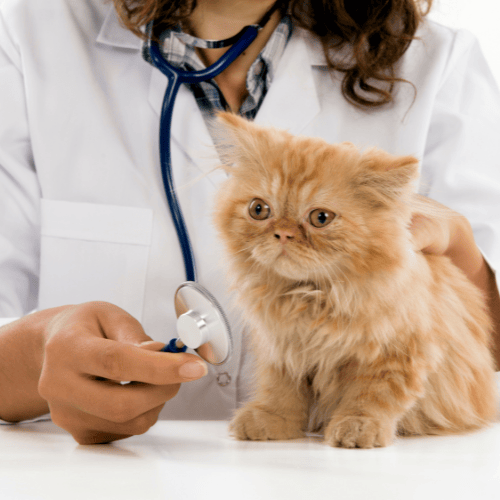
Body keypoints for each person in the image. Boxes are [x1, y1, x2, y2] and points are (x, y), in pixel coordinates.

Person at [0, 0, 499, 445]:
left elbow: (480, 359)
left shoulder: (439, 61)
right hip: (96, 475)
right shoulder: (28, 32)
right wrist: (29, 358)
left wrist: (464, 255)